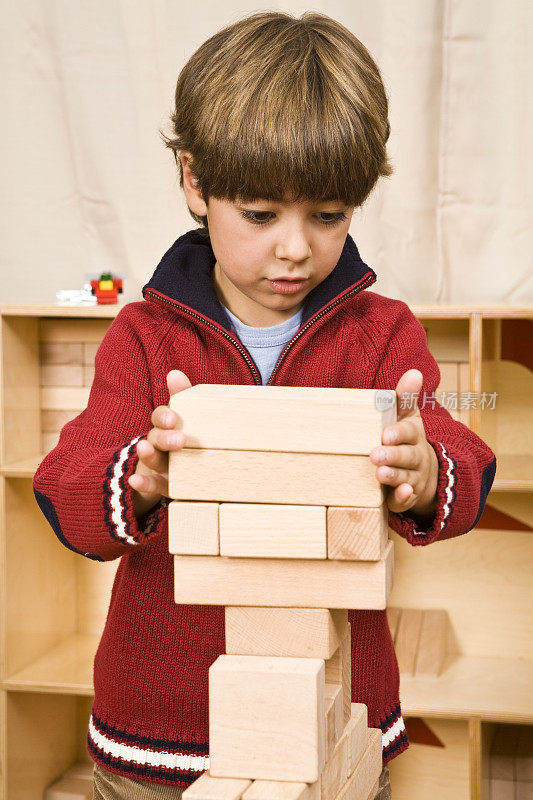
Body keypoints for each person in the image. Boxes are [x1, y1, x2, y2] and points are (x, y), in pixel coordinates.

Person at [32, 10, 496, 800]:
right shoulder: (143, 336)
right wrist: (139, 478)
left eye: (327, 215)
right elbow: (65, 485)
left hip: (333, 724)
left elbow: (460, 460)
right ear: (194, 181)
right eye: (259, 214)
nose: (294, 248)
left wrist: (424, 470)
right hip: (160, 738)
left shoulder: (382, 333)